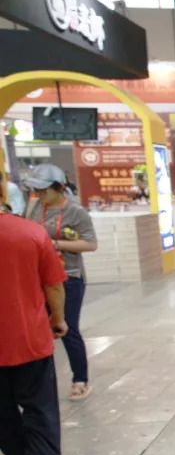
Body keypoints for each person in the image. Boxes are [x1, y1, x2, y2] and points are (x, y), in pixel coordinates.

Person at [0, 202, 68, 455]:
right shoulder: (31, 232)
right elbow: (53, 285)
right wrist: (59, 319)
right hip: (29, 338)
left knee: (2, 410)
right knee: (40, 408)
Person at [23, 164, 97, 400]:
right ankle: (37, 383)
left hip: (68, 276)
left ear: (59, 188)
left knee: (66, 327)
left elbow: (90, 243)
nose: (40, 195)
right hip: (38, 276)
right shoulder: (34, 207)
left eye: (44, 190)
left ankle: (80, 380)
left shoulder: (76, 212)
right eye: (36, 190)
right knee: (36, 328)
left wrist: (54, 244)